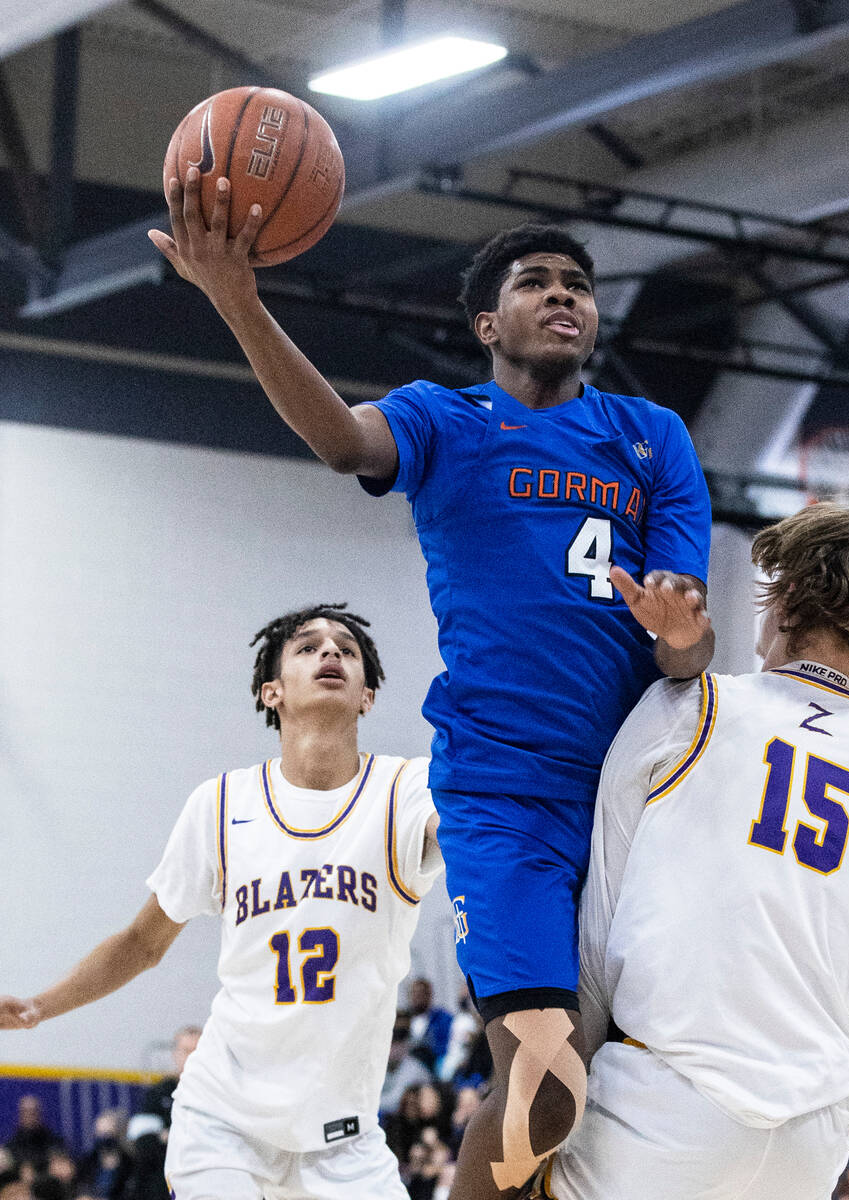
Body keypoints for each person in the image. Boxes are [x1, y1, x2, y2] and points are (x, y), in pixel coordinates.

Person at [148, 173, 714, 1199]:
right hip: (510, 794)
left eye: (578, 285)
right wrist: (238, 297)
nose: (563, 297)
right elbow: (337, 442)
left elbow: (683, 648)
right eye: (536, 283)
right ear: (486, 321)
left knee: (637, 1090)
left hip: (645, 793)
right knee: (543, 1087)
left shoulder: (651, 437)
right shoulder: (446, 421)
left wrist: (684, 641)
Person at [536, 493, 849, 1200]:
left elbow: (602, 918)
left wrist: (569, 1084)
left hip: (669, 1104)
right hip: (813, 1132)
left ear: (784, 597)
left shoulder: (694, 708)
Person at [0, 605, 441, 1200]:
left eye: (347, 649)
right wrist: (39, 1007)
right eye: (308, 647)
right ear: (272, 692)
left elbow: (484, 837)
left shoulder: (408, 790)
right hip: (224, 1120)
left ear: (368, 695)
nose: (331, 653)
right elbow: (142, 943)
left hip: (346, 1139)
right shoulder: (220, 803)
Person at [125, 1025, 201, 1200]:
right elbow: (142, 1142)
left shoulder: (218, 1093)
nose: (192, 1057)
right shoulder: (158, 1092)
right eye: (186, 1051)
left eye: (197, 1051)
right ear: (175, 1054)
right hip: (160, 1184)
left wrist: (169, 1135)